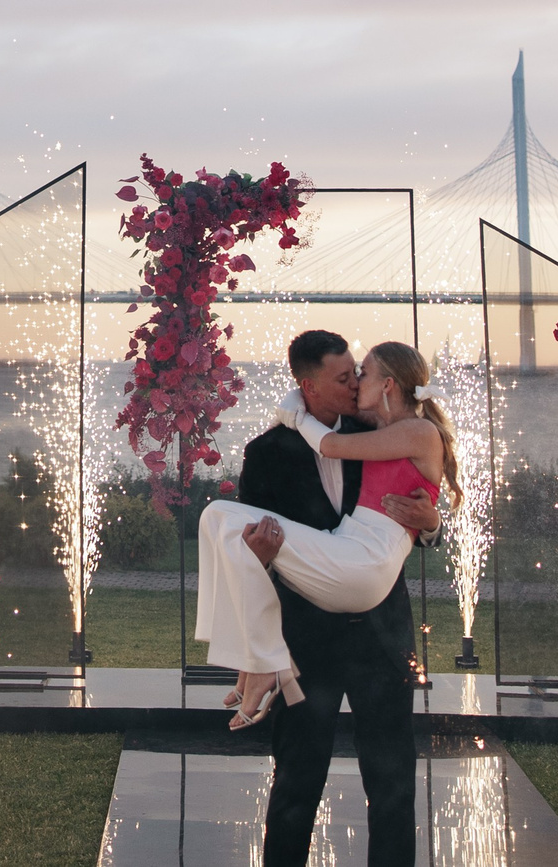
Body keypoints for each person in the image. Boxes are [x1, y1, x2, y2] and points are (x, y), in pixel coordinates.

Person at [201, 334, 453, 867]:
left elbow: (422, 505)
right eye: (343, 378)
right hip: (308, 640)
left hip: (381, 636)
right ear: (306, 385)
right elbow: (255, 552)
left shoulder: (381, 429)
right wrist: (263, 556)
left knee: (392, 784)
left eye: (357, 374)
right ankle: (259, 664)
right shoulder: (265, 453)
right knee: (296, 782)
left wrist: (432, 525)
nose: (354, 384)